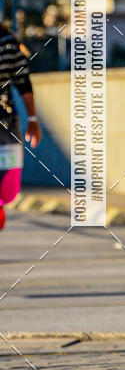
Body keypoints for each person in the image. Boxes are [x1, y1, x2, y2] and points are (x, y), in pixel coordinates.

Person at [0, 22, 43, 230]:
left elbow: (23, 82)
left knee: (9, 187)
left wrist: (33, 120)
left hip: (6, 124)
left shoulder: (7, 44)